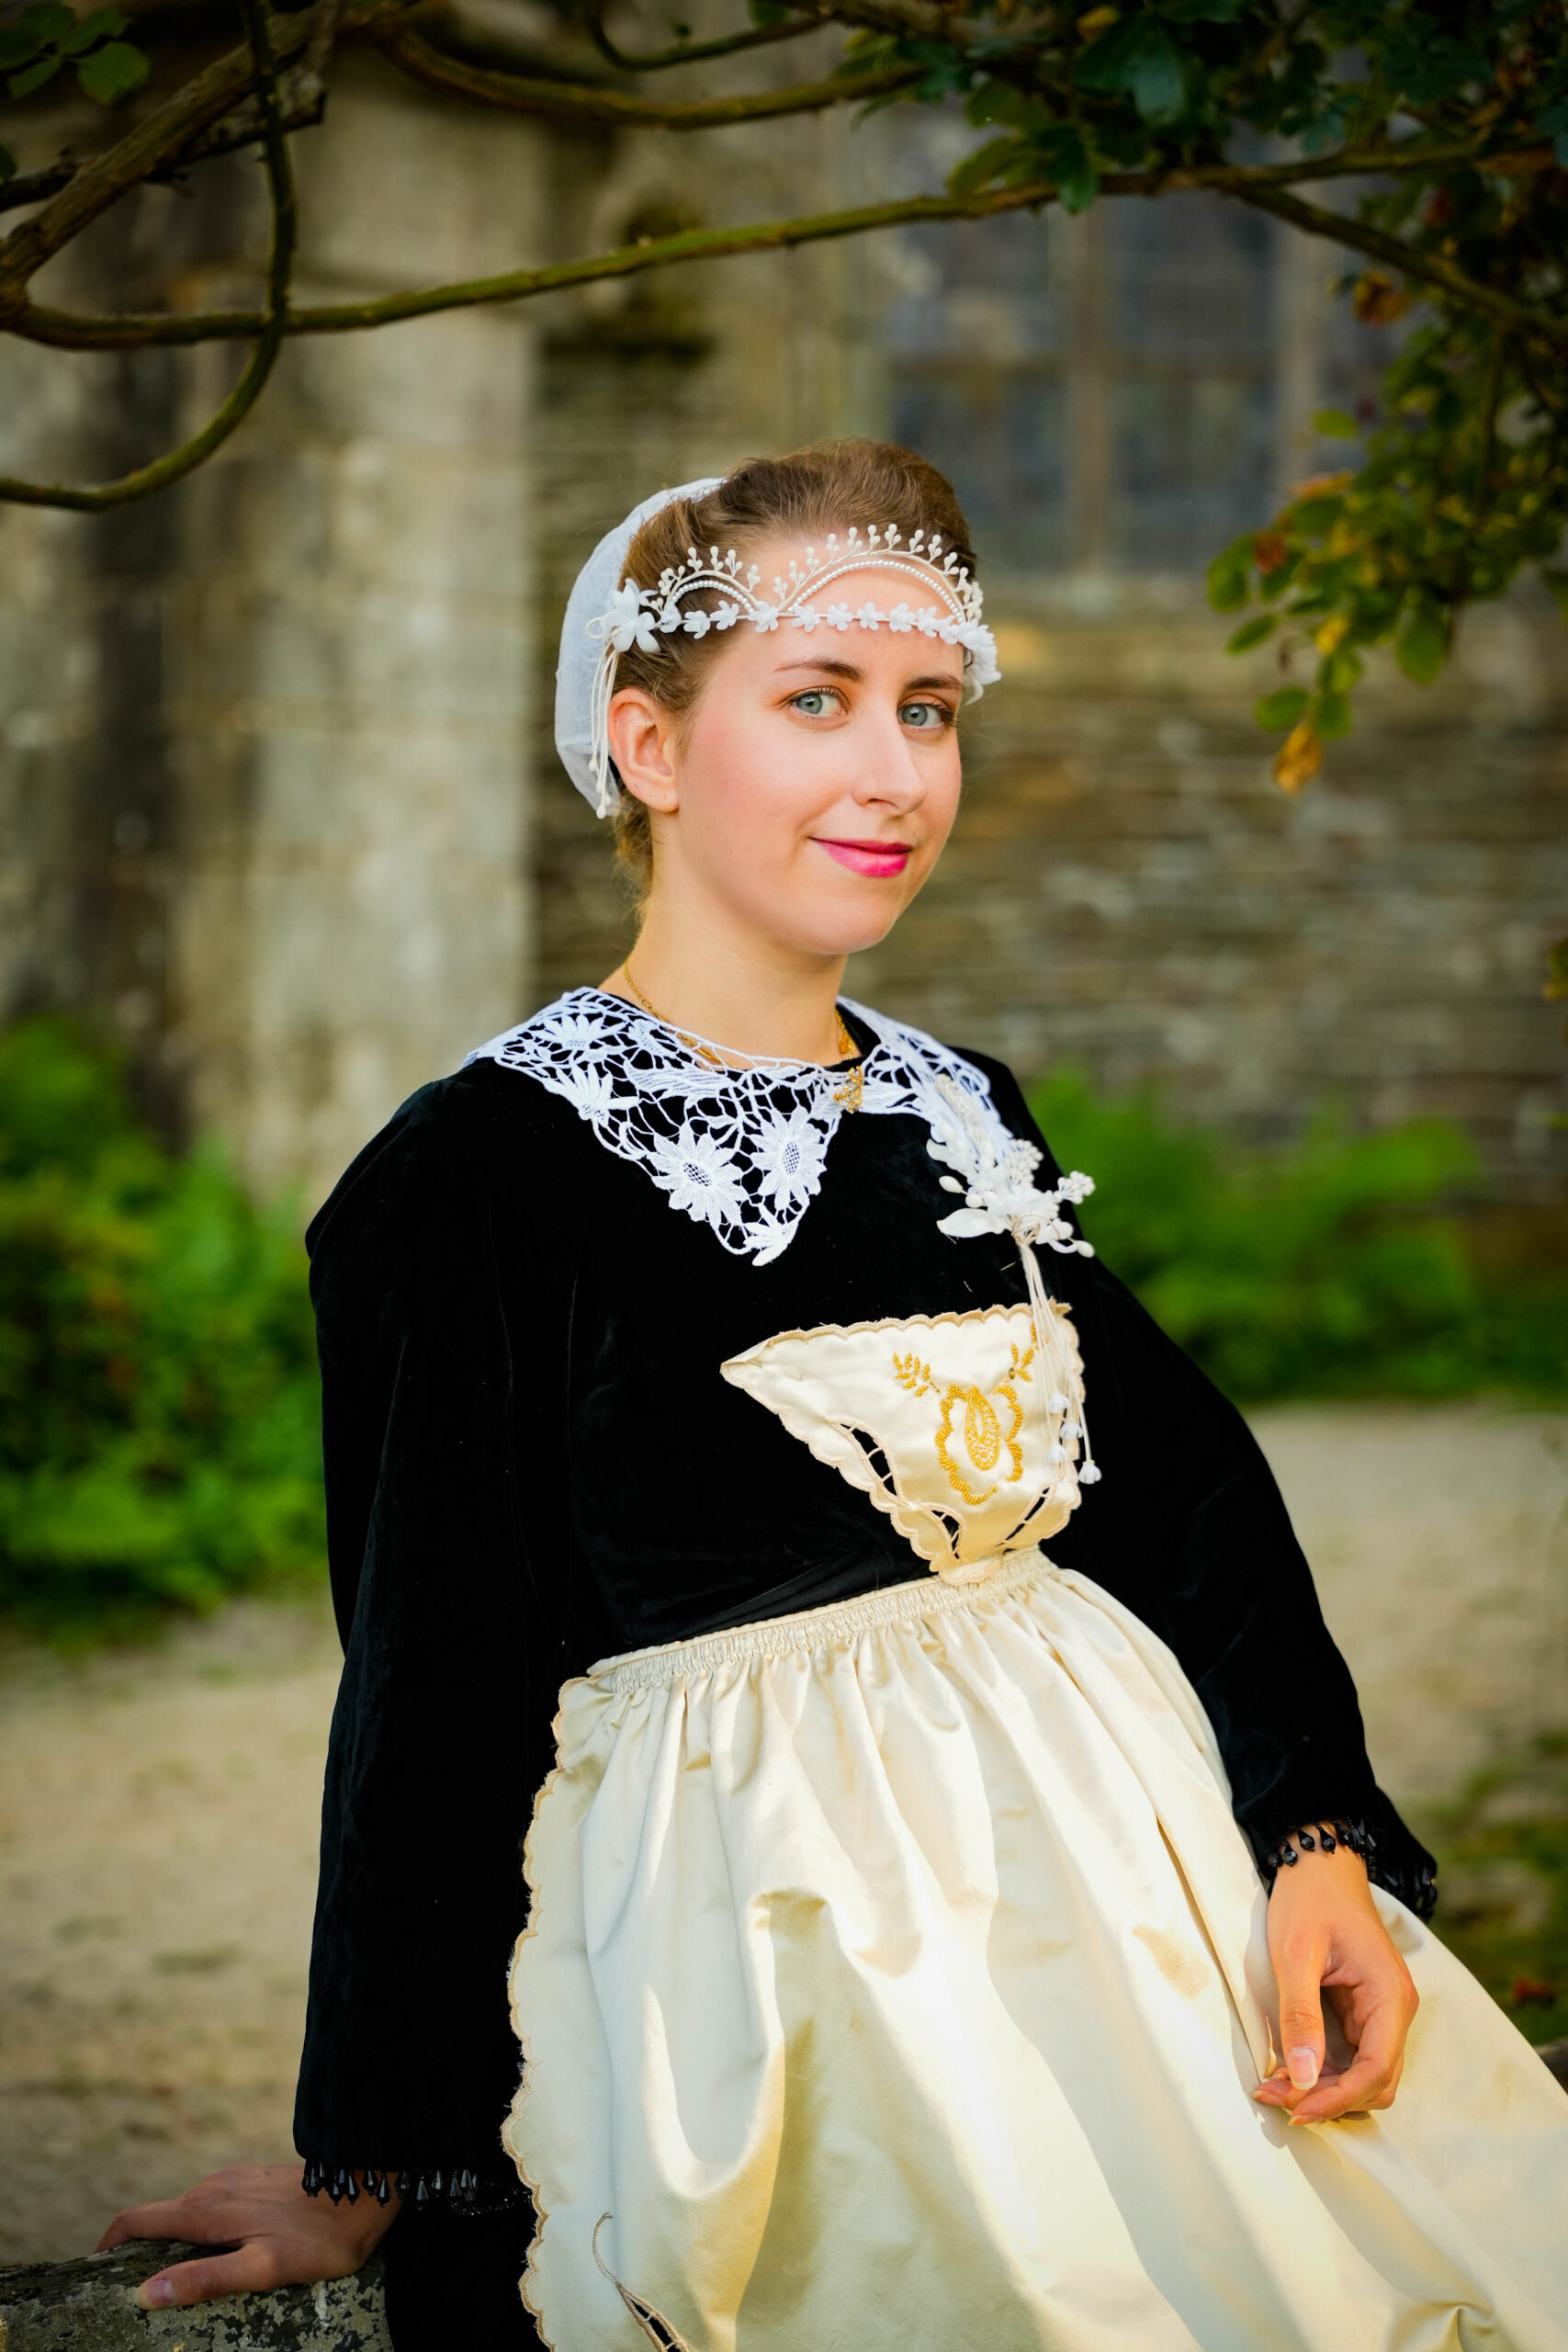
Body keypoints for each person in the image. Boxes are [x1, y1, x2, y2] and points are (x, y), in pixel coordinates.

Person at [101, 442, 1568, 2348]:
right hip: (777, 1982)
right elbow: (431, 1685)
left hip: (1134, 1927)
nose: (896, 772)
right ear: (646, 743)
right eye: (817, 700)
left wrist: (1315, 1844)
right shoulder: (476, 1173)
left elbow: (1185, 1496)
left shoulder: (963, 1108)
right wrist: (375, 2152)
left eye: (928, 709)